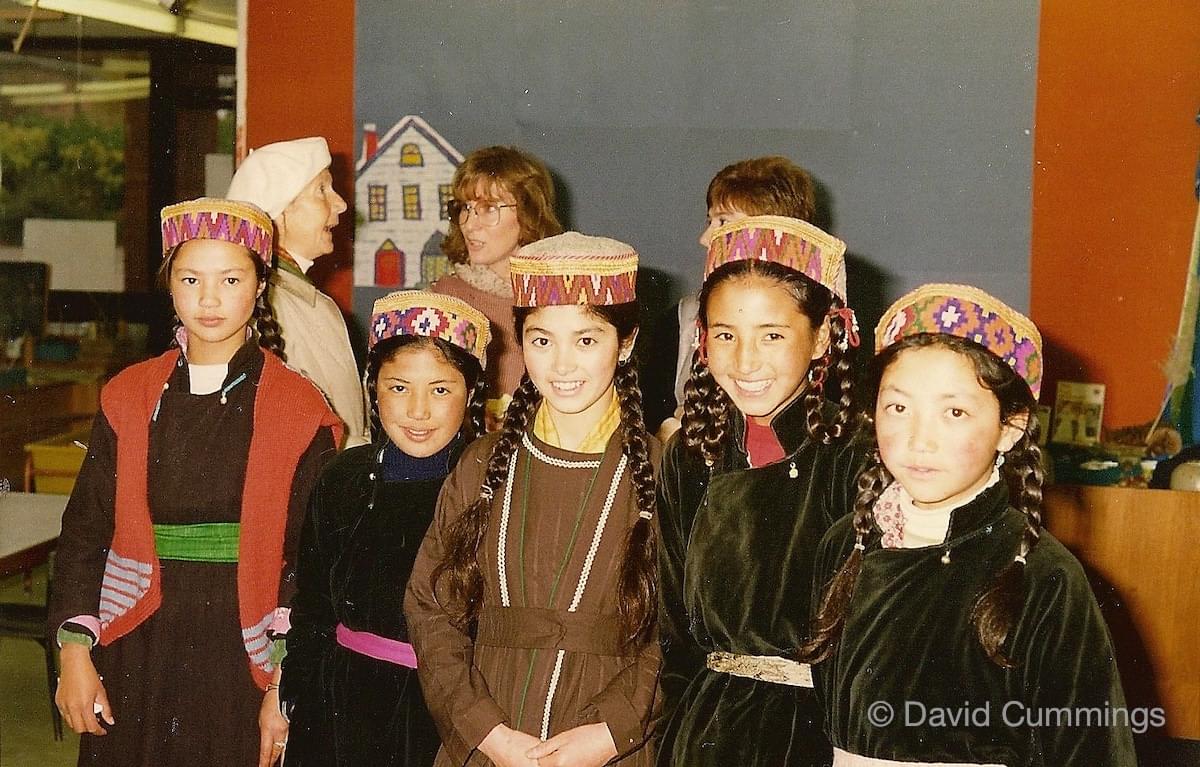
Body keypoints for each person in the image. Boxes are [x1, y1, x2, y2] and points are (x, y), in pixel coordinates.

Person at [49, 198, 342, 767]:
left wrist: (285, 680)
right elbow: (84, 534)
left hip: (242, 645)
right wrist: (74, 655)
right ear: (170, 286)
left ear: (260, 285)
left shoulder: (297, 407)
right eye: (191, 279)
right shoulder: (129, 395)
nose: (209, 299)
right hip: (134, 633)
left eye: (231, 279)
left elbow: (311, 559)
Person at [800, 284, 1137, 765]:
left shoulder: (1044, 576)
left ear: (1011, 426)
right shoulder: (845, 545)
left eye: (954, 412)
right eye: (899, 407)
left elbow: (1092, 747)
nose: (919, 439)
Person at [406, 232, 661, 767]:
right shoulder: (482, 464)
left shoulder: (664, 474)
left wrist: (611, 732)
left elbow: (682, 631)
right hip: (490, 734)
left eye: (587, 340)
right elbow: (432, 610)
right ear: (520, 341)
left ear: (627, 341)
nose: (563, 365)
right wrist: (487, 732)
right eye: (542, 340)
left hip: (608, 743)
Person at [657, 215, 864, 766]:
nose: (745, 362)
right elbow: (672, 628)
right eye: (726, 335)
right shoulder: (690, 455)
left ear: (823, 336)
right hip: (705, 732)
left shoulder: (858, 456)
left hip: (820, 736)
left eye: (772, 336)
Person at [279, 291, 491, 766]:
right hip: (340, 708)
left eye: (440, 389)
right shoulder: (342, 477)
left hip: (446, 716)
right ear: (373, 388)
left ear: (471, 393)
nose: (418, 411)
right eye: (399, 388)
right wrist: (294, 699)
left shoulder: (491, 486)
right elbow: (313, 607)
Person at [641, 156, 818, 437]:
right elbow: (652, 408)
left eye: (723, 221)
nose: (704, 238)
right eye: (710, 221)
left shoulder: (817, 320)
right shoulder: (683, 317)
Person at [226, 136, 369, 447]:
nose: (341, 204)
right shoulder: (260, 307)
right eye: (322, 190)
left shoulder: (306, 301)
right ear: (277, 214)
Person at [432, 145, 563, 427]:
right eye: (465, 208)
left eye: (488, 209)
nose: (469, 224)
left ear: (529, 212)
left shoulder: (560, 299)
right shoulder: (443, 298)